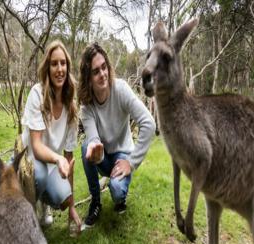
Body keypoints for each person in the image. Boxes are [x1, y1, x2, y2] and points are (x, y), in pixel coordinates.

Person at [78, 42, 156, 227]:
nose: (102, 74)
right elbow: (93, 138)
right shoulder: (86, 106)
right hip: (103, 157)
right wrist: (93, 149)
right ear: (88, 78)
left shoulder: (120, 89)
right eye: (96, 71)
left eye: (104, 67)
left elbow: (149, 124)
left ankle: (120, 198)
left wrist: (132, 162)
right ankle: (95, 202)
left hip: (122, 154)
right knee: (84, 148)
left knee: (117, 190)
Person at [22, 40, 81, 232]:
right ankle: (27, 217)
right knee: (38, 174)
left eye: (63, 63)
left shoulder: (71, 104)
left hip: (51, 163)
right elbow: (37, 146)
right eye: (54, 63)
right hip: (31, 158)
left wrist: (72, 205)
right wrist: (58, 159)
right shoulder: (37, 95)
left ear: (68, 66)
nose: (59, 69)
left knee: (63, 196)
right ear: (47, 67)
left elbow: (70, 156)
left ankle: (44, 204)